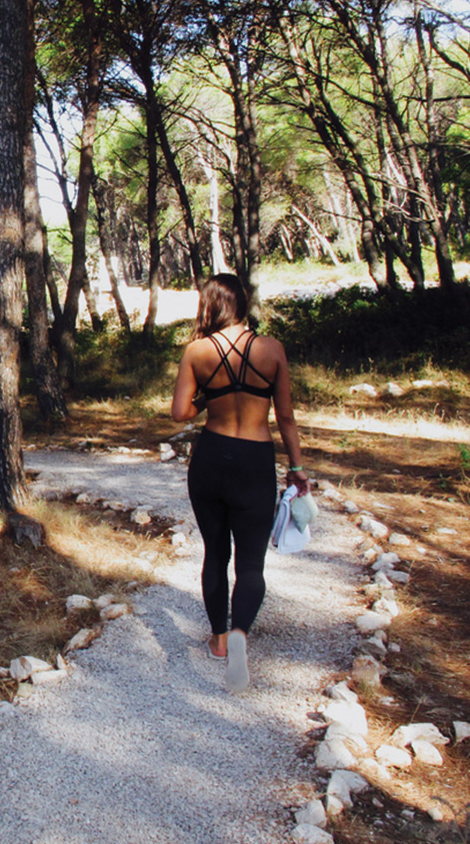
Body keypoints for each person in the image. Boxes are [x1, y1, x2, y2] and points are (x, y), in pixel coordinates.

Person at [171, 274, 310, 692]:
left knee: (215, 551)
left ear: (210, 305)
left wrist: (208, 394)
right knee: (250, 562)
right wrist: (298, 468)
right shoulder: (272, 349)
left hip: (211, 457)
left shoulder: (197, 350)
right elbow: (285, 417)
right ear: (244, 302)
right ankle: (240, 635)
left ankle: (216, 640)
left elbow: (179, 413)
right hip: (254, 458)